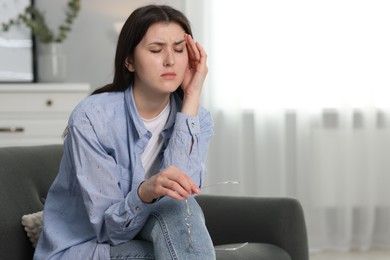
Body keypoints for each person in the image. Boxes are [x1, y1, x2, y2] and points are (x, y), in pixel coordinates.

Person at [34, 4, 215, 260]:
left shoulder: (197, 118)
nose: (170, 60)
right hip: (87, 248)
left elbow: (179, 197)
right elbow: (108, 231)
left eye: (179, 49)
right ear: (129, 61)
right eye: (156, 49)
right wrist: (146, 192)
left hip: (150, 231)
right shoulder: (93, 118)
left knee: (178, 210)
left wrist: (192, 94)